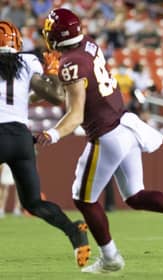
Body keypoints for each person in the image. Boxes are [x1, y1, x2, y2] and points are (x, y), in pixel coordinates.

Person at [37, 8, 163, 274]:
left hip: (106, 135)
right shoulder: (89, 45)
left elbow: (75, 114)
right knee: (135, 195)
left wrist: (51, 134)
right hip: (126, 125)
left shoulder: (71, 63)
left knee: (83, 198)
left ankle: (110, 258)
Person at [0, 20, 90, 267]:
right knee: (34, 202)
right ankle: (74, 232)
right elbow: (56, 96)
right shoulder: (28, 62)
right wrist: (52, 72)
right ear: (16, 42)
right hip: (20, 139)